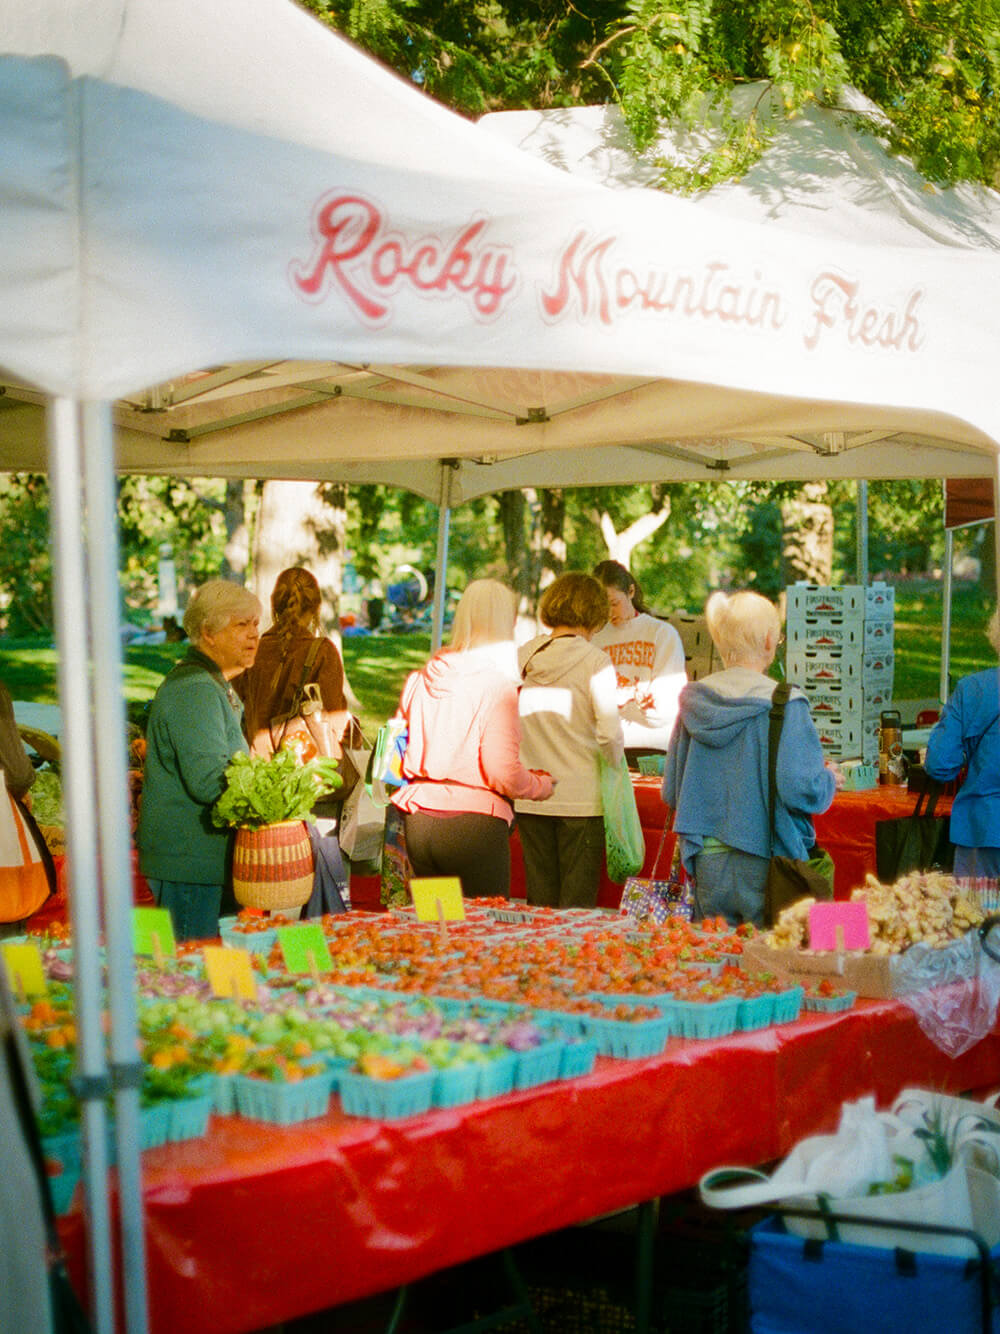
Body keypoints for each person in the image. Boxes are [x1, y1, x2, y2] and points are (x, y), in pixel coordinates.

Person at [663, 590, 839, 926]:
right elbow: (800, 789)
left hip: (706, 859)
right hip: (768, 859)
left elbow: (671, 791)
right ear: (770, 640)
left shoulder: (694, 702)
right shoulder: (787, 703)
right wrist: (829, 779)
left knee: (713, 950)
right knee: (771, 954)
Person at [390, 579, 554, 897]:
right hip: (476, 826)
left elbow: (395, 752)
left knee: (437, 923)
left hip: (420, 820)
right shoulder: (498, 687)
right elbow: (501, 771)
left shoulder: (421, 679)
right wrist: (541, 785)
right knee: (485, 925)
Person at [137, 580, 261, 941]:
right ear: (208, 633)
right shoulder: (195, 688)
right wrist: (265, 796)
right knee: (191, 965)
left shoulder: (209, 683)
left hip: (197, 863)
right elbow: (208, 780)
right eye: (241, 625)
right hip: (188, 864)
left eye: (255, 624)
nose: (254, 634)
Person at [232, 566, 351, 913]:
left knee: (270, 886)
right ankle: (313, 943)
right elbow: (335, 721)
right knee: (317, 884)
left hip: (261, 784)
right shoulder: (322, 651)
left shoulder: (251, 651)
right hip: (310, 781)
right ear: (315, 608)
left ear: (273, 604)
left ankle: (274, 942)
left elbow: (241, 708)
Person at [516, 573, 625, 908]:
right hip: (581, 798)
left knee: (540, 902)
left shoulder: (525, 657)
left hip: (531, 795)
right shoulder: (596, 662)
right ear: (594, 613)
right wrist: (615, 766)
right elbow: (609, 734)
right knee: (576, 909)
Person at [924, 607, 1000, 878]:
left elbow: (940, 765)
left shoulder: (973, 689)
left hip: (983, 829)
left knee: (975, 907)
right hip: (983, 828)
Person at [591, 560, 687, 761]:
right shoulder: (595, 639)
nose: (609, 612)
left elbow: (665, 708)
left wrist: (616, 703)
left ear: (631, 591)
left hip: (654, 749)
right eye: (602, 606)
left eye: (614, 603)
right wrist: (631, 702)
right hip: (607, 748)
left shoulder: (662, 634)